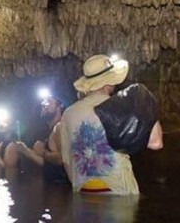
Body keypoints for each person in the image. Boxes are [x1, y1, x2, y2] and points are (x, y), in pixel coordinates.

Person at [58, 55, 163, 194]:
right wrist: (146, 102)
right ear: (110, 81)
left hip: (83, 193)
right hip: (119, 192)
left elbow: (66, 161)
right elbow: (156, 143)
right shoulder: (121, 106)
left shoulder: (68, 113)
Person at [13, 95, 68, 183]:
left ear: (60, 106)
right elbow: (51, 165)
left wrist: (42, 152)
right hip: (53, 188)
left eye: (49, 101)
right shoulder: (51, 130)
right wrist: (27, 152)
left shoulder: (60, 127)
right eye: (43, 101)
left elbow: (62, 160)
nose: (43, 104)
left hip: (61, 190)